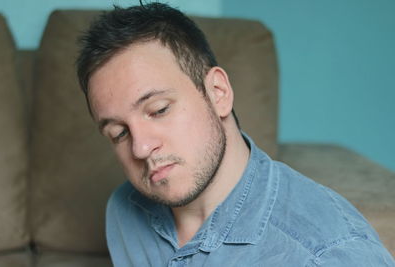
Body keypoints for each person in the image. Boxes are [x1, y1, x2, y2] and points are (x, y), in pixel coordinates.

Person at [76, 2, 395, 266]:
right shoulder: (124, 211)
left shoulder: (327, 254)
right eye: (118, 133)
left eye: (159, 110)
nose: (141, 147)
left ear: (218, 92)